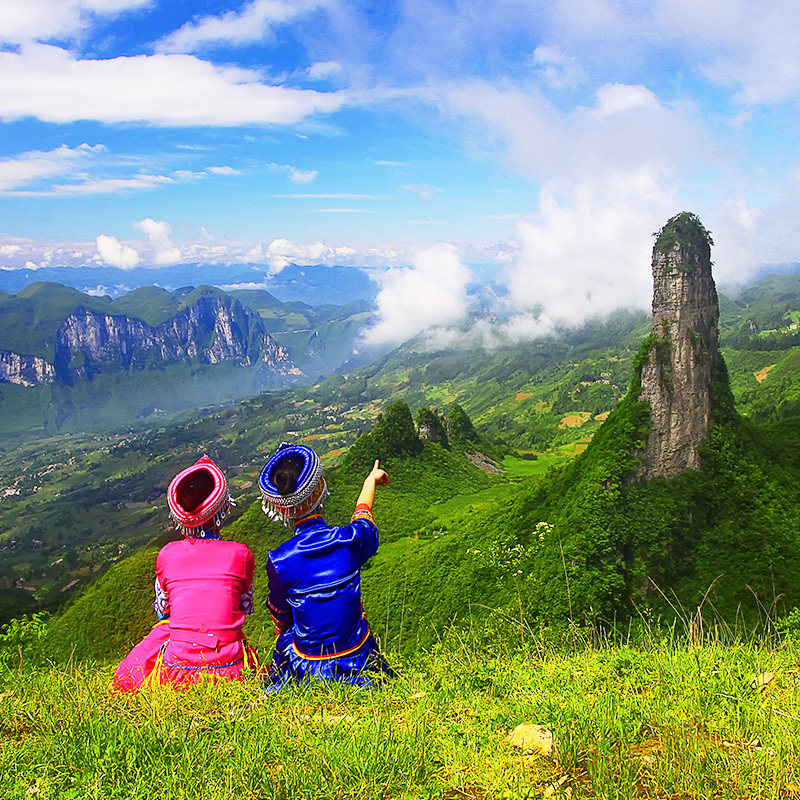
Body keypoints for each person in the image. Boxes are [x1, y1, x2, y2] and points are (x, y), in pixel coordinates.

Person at [113, 455, 260, 691]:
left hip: (178, 668)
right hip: (232, 668)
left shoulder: (167, 554)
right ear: (222, 508)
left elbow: (163, 613)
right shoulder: (241, 554)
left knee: (162, 630)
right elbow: (243, 609)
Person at [258, 443, 393, 689]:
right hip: (357, 654)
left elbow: (279, 612)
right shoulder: (349, 541)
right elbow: (363, 516)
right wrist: (370, 481)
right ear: (320, 487)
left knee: (287, 633)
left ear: (279, 507)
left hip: (308, 663)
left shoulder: (279, 560)